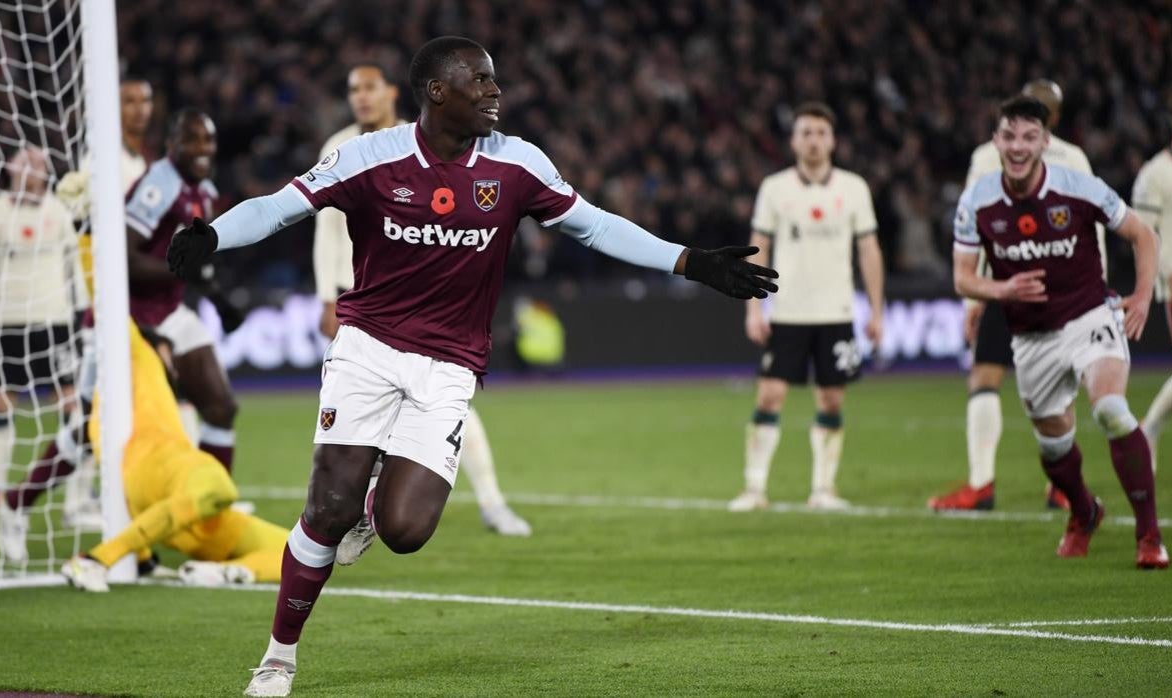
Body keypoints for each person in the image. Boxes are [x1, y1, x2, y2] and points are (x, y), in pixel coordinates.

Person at [165, 36, 777, 697]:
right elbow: (279, 207)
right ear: (436, 92)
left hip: (451, 365)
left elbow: (595, 226)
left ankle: (377, 504)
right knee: (325, 505)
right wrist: (214, 235)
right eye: (480, 81)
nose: (495, 92)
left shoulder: (515, 164)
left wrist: (690, 261)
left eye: (494, 80)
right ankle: (279, 657)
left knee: (405, 531)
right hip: (367, 347)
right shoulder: (372, 156)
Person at [315, 63, 531, 537]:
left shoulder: (433, 141)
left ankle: (490, 503)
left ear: (394, 92)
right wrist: (327, 295)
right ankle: (371, 505)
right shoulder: (343, 148)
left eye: (369, 88)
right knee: (365, 420)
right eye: (353, 90)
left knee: (451, 409)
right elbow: (326, 231)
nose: (361, 98)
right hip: (363, 303)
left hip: (428, 302)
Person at [952, 95, 1167, 570]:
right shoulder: (978, 201)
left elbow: (1142, 235)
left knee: (1111, 409)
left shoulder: (1079, 187)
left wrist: (1142, 293)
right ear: (996, 142)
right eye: (1009, 136)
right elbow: (963, 277)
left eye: (1029, 136)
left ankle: (1148, 535)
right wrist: (1002, 287)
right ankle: (1084, 511)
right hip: (1032, 338)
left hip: (1090, 316)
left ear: (1045, 142)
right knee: (1053, 445)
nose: (1018, 146)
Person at [0, 75, 158, 545]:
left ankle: (121, 506)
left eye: (144, 99)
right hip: (109, 311)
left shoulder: (139, 161)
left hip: (141, 307)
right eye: (128, 100)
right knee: (92, 416)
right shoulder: (100, 163)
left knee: (132, 408)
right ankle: (23, 502)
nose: (138, 109)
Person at [931, 79, 1098, 512]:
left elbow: (1092, 223)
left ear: (1053, 120)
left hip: (1061, 290)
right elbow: (971, 228)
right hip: (1005, 288)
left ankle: (1046, 484)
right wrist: (974, 300)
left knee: (1046, 382)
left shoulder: (1064, 158)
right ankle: (992, 485)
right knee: (989, 376)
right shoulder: (996, 157)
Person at [728, 102, 885, 513]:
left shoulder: (853, 188)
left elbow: (868, 249)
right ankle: (754, 489)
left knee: (832, 400)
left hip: (836, 312)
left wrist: (877, 310)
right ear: (794, 140)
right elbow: (758, 248)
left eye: (821, 132)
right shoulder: (775, 188)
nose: (814, 140)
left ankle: (823, 490)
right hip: (789, 312)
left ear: (832, 140)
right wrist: (753, 309)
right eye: (806, 133)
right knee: (769, 396)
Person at [60, 321, 286, 592]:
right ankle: (95, 560)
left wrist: (144, 559)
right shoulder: (139, 359)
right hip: (170, 474)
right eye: (168, 352)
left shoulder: (111, 411)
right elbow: (116, 313)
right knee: (220, 487)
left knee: (304, 554)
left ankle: (221, 572)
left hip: (185, 508)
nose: (174, 365)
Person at [0, 146, 87, 563]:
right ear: (9, 170)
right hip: (6, 321)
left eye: (37, 165)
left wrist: (84, 315)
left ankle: (78, 501)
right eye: (24, 163)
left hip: (54, 322)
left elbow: (74, 268)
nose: (31, 171)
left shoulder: (57, 210)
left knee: (75, 405)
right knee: (1, 402)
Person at [125, 108, 240, 472]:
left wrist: (220, 301)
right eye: (192, 139)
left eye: (208, 139)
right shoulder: (159, 185)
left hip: (170, 311)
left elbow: (194, 262)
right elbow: (123, 257)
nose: (202, 148)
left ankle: (211, 502)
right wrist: (177, 270)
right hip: (131, 317)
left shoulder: (204, 191)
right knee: (100, 424)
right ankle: (19, 501)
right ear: (172, 144)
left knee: (221, 407)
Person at [1135, 90, 1172, 461]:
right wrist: (1168, 274)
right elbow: (1143, 234)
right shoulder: (1155, 174)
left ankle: (1149, 425)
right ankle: (1150, 426)